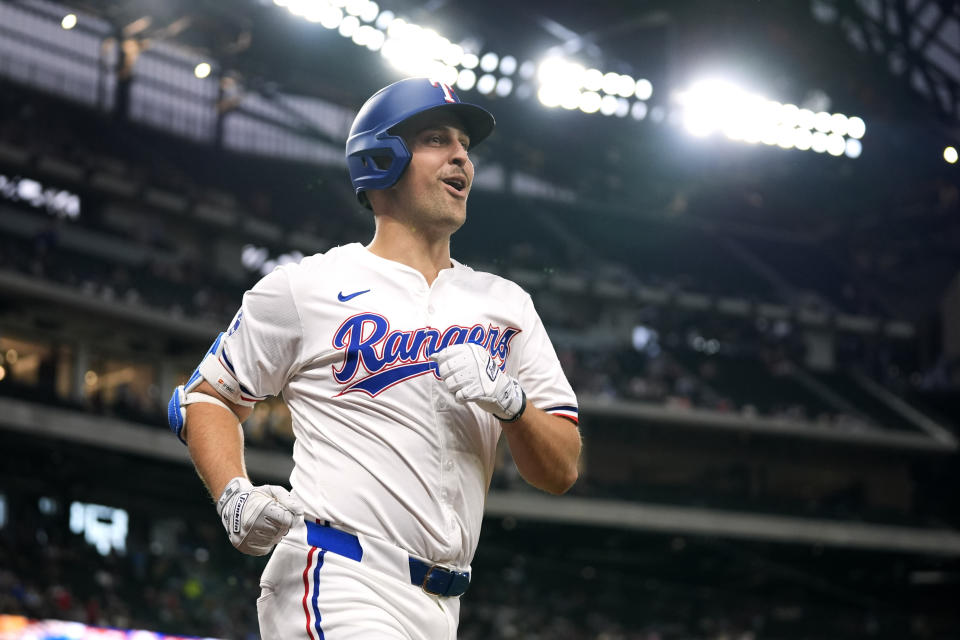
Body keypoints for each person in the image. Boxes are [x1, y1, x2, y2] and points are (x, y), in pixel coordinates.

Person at [167, 77, 581, 639]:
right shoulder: (307, 287)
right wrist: (234, 495)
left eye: (465, 145)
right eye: (437, 139)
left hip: (442, 605)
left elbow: (561, 469)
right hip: (337, 576)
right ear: (379, 158)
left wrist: (512, 403)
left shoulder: (507, 304)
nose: (462, 156)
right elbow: (206, 395)